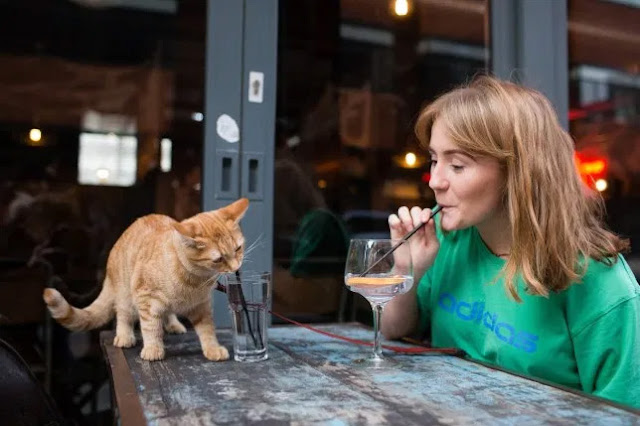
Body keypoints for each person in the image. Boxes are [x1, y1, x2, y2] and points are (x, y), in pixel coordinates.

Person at [382, 76, 640, 409]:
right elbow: (393, 330)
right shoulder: (448, 239)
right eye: (434, 159)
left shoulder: (595, 276)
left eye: (457, 165)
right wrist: (408, 271)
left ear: (518, 172)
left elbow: (625, 411)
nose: (435, 181)